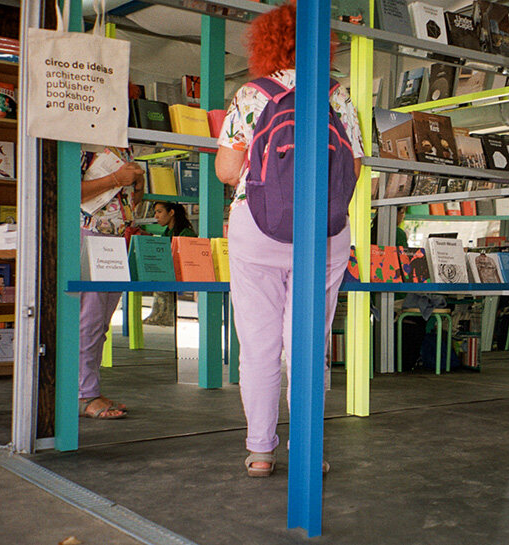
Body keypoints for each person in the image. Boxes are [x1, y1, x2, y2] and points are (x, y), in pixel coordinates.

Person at [214, 2, 364, 477]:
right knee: (307, 343)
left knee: (257, 343)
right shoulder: (336, 95)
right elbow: (354, 170)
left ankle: (260, 450)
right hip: (323, 234)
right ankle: (307, 448)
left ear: (265, 44)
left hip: (256, 230)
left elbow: (227, 170)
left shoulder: (252, 94)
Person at [79, 148, 144, 419]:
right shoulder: (82, 145)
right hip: (88, 234)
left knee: (101, 323)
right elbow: (68, 191)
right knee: (89, 320)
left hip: (115, 239)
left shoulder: (124, 148)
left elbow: (132, 205)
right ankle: (83, 394)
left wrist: (137, 185)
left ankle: (89, 389)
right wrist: (117, 178)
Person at [144, 202, 197, 326]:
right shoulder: (167, 233)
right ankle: (161, 314)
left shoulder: (185, 233)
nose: (156, 216)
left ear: (171, 213)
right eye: (155, 212)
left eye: (159, 211)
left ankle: (162, 315)